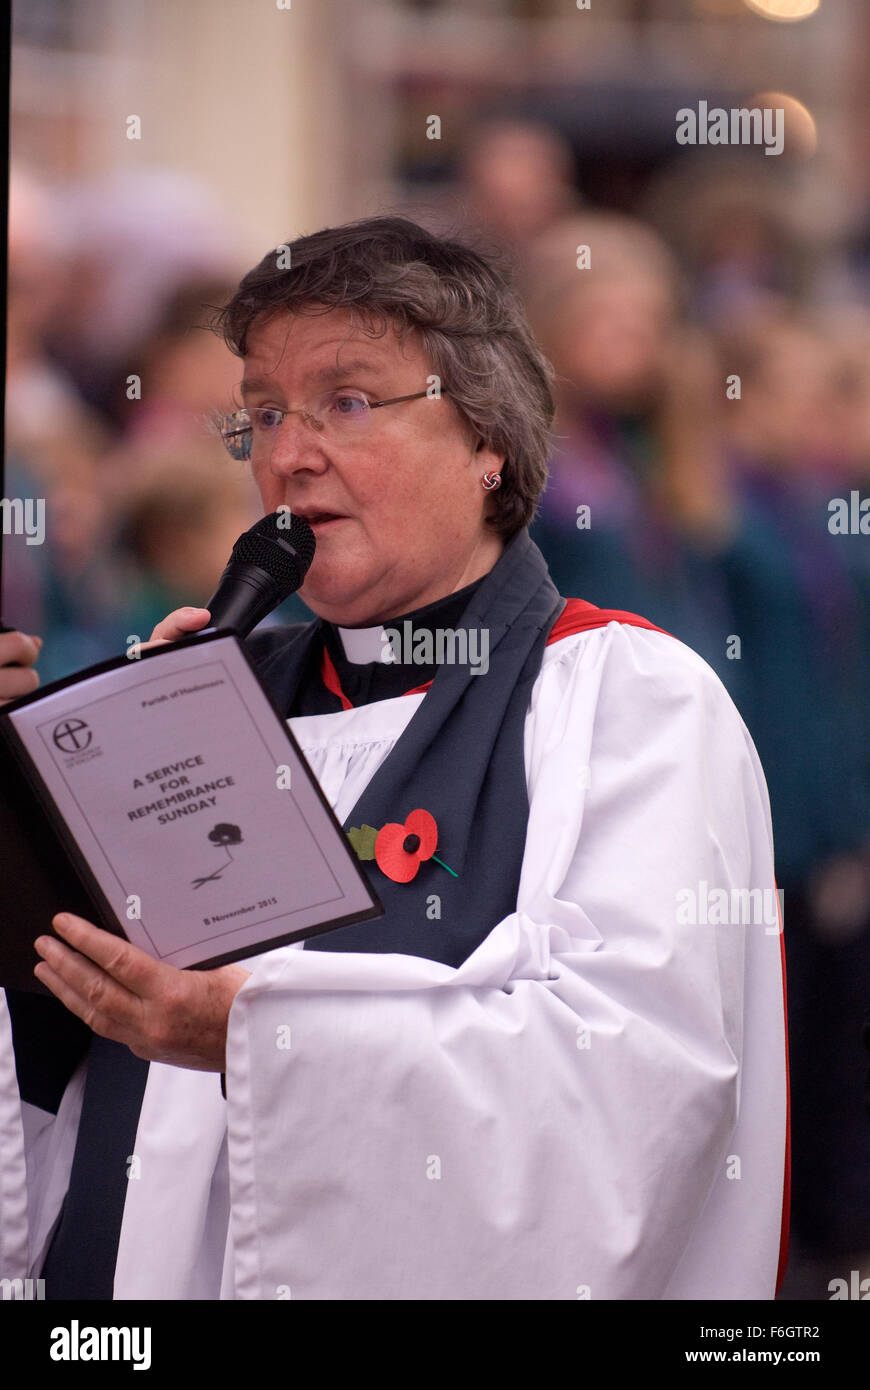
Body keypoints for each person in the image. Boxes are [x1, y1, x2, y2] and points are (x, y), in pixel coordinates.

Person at [0, 216, 788, 1300]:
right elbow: (58, 1071)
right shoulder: (202, 703)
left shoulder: (623, 700)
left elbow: (624, 1093)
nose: (288, 452)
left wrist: (258, 1037)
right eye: (264, 412)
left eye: (349, 402)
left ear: (488, 440)